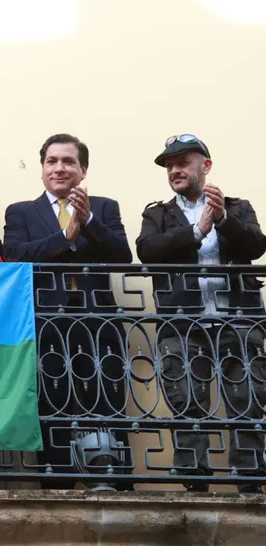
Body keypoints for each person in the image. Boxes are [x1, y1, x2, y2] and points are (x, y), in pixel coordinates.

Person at [2, 133, 133, 490]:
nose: (59, 168)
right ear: (42, 168)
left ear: (83, 169)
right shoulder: (21, 211)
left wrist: (88, 221)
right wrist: (66, 237)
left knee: (107, 402)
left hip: (98, 322)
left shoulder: (104, 207)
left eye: (68, 161)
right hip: (46, 325)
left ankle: (115, 483)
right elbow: (13, 256)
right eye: (52, 161)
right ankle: (57, 485)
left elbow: (122, 256)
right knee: (51, 403)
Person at [136, 134, 266, 493]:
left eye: (183, 162)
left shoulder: (237, 207)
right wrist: (197, 231)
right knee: (187, 398)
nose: (174, 170)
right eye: (169, 165)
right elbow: (147, 249)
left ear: (204, 166)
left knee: (248, 398)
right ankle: (194, 483)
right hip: (183, 321)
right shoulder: (157, 214)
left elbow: (256, 244)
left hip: (237, 318)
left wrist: (222, 219)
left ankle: (250, 482)